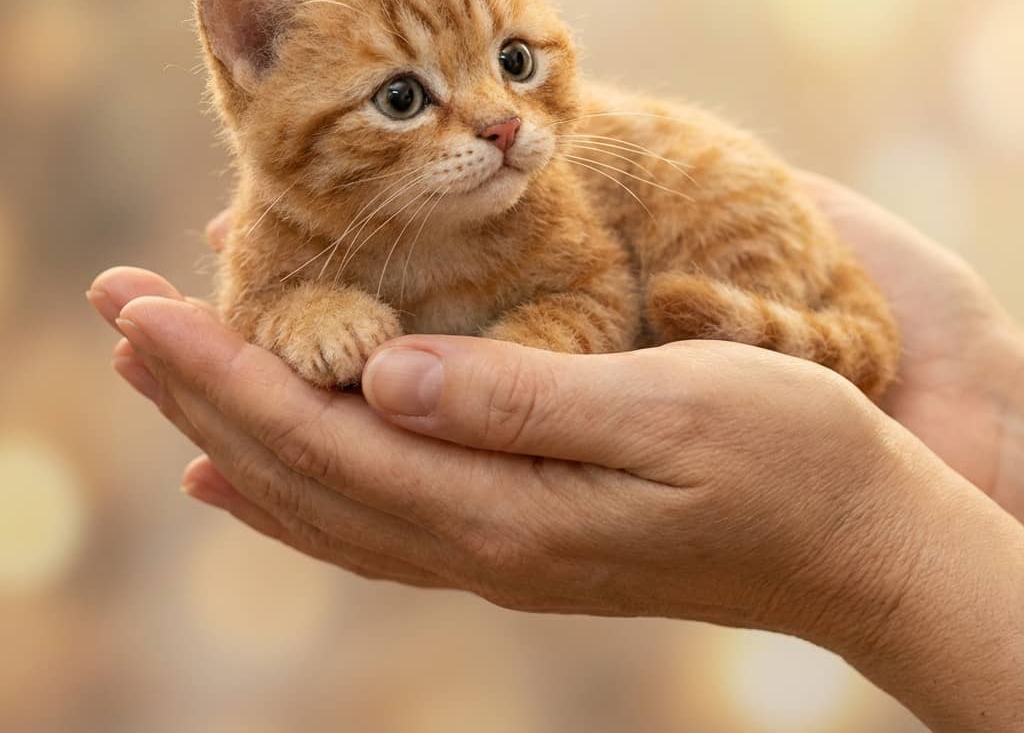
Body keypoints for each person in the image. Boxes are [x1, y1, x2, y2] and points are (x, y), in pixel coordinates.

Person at [87, 175, 1024, 732]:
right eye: (403, 99)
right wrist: (998, 423)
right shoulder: (281, 228)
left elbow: (595, 283)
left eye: (517, 64)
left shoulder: (543, 203)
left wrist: (879, 551)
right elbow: (263, 302)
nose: (497, 125)